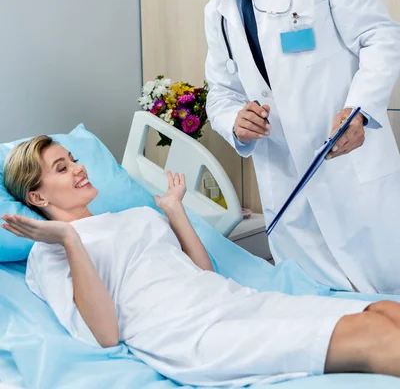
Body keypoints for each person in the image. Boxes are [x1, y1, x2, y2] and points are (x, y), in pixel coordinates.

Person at [3, 137, 400, 386]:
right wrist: (70, 241)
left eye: (72, 159)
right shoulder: (50, 249)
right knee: (372, 337)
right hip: (186, 333)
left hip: (230, 300)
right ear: (37, 198)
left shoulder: (137, 216)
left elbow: (202, 274)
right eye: (63, 168)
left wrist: (175, 211)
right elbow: (106, 334)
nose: (79, 168)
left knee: (386, 310)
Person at [169, 0, 400, 294]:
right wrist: (234, 122)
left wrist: (359, 109)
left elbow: (380, 38)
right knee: (318, 312)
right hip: (287, 185)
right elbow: (221, 92)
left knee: (386, 300)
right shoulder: (218, 11)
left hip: (348, 169)